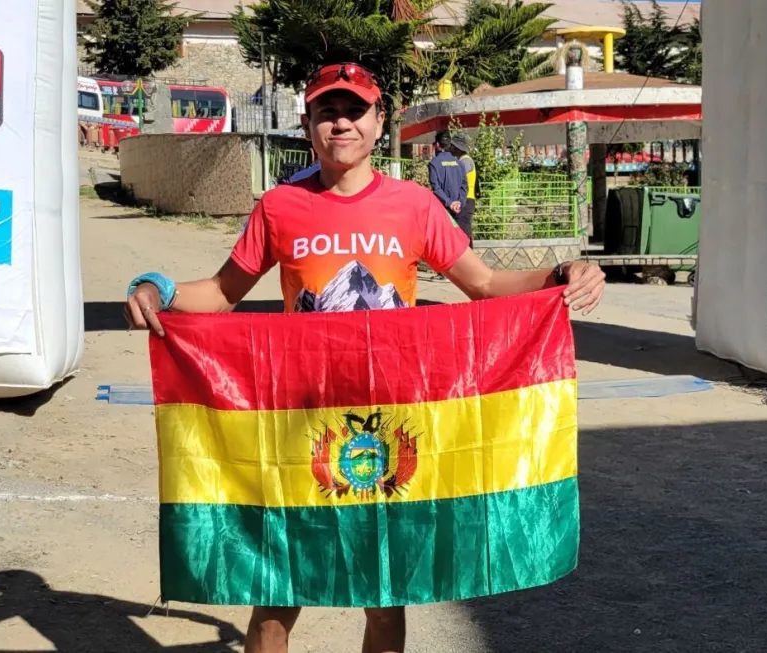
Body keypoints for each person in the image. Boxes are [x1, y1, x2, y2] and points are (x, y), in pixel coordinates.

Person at [124, 62, 606, 653]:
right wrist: (159, 288)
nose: (341, 123)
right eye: (327, 112)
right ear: (308, 125)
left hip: (388, 424)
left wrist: (559, 273)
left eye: (355, 111)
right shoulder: (280, 207)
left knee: (384, 595)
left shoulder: (416, 205)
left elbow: (482, 284)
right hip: (299, 419)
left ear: (380, 123)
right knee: (279, 590)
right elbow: (223, 293)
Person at [427, 130, 467, 221]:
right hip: (459, 210)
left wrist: (450, 203)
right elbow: (464, 186)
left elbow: (436, 188)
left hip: (442, 210)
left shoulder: (433, 164)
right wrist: (459, 202)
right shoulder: (460, 163)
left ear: (437, 144)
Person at [450, 132, 477, 248]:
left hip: (466, 200)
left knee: (463, 233)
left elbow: (459, 179)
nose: (451, 148)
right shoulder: (463, 160)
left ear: (457, 148)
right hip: (465, 200)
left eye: (453, 146)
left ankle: (469, 262)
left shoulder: (465, 161)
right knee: (463, 232)